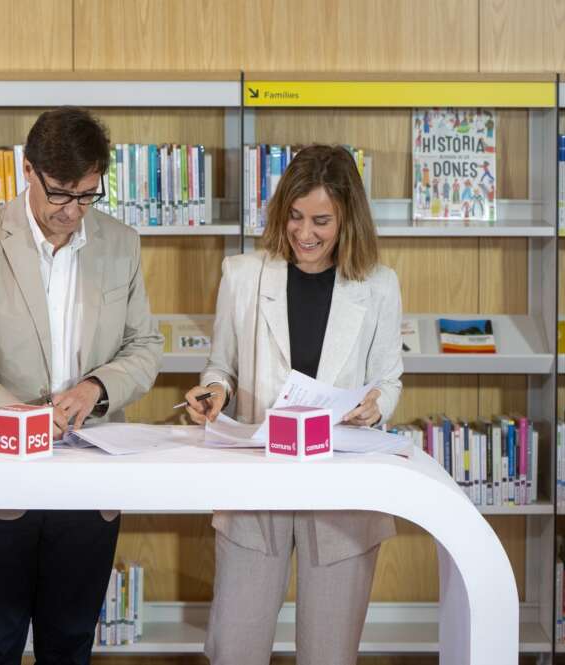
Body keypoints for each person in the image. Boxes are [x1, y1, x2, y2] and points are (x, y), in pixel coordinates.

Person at [0, 106, 164, 665]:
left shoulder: (121, 243)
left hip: (89, 472)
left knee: (70, 643)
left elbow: (145, 347)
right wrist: (21, 416)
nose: (72, 212)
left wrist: (97, 389)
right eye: (61, 193)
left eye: (88, 195)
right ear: (28, 171)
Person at [182, 144, 403, 665]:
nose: (305, 234)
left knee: (330, 653)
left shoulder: (379, 285)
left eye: (322, 221)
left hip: (340, 487)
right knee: (235, 645)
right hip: (259, 480)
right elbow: (222, 368)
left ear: (348, 218)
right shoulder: (242, 275)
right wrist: (215, 392)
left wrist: (375, 406)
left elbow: (388, 380)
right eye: (295, 217)